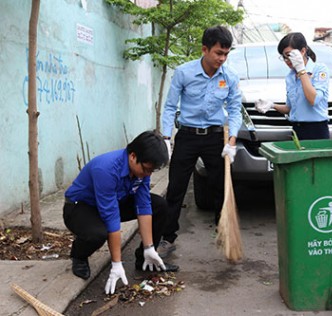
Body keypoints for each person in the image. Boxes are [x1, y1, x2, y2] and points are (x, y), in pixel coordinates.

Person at [159, 26, 242, 258]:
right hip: (187, 136)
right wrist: (166, 138)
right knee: (176, 188)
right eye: (218, 53)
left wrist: (232, 141)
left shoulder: (230, 77)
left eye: (226, 54)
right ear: (204, 49)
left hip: (216, 138)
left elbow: (235, 110)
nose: (222, 59)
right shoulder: (184, 73)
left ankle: (223, 232)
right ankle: (167, 238)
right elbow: (169, 106)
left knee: (220, 187)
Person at [63, 131, 174, 295]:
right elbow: (111, 218)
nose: (148, 175)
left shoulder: (141, 170)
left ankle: (145, 258)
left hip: (114, 201)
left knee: (159, 205)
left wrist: (149, 247)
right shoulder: (106, 169)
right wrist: (116, 263)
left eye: (152, 171)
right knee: (98, 233)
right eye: (146, 169)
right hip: (80, 207)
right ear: (133, 156)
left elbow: (143, 206)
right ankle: (79, 255)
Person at [255, 32, 330, 140]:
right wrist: (272, 105)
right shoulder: (290, 77)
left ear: (303, 51)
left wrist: (301, 71)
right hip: (297, 129)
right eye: (284, 57)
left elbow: (313, 99)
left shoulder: (319, 70)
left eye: (289, 55)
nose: (287, 61)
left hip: (316, 129)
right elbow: (290, 108)